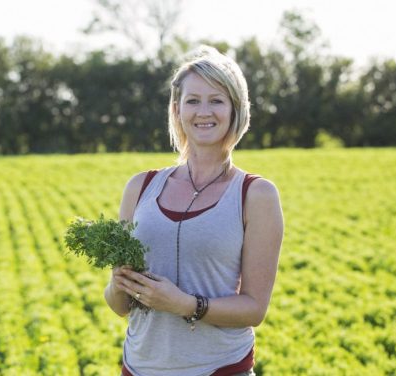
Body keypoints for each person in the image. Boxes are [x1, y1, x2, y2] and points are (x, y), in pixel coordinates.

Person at [103, 46, 284, 376]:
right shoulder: (140, 187)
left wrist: (185, 305)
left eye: (217, 100)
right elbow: (120, 307)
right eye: (193, 100)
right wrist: (118, 285)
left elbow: (254, 308)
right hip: (139, 367)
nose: (204, 111)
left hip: (219, 368)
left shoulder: (255, 195)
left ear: (235, 110)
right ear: (177, 109)